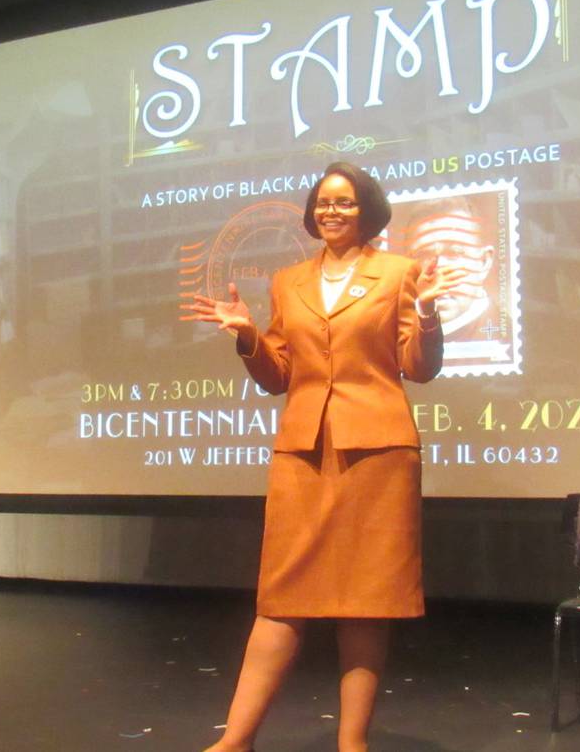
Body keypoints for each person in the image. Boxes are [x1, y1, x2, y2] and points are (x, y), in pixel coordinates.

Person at [184, 162, 468, 752]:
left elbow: (419, 367)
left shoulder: (399, 273)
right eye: (322, 203)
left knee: (366, 600)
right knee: (281, 594)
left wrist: (432, 315)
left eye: (344, 202)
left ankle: (352, 744)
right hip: (305, 449)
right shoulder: (288, 282)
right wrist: (248, 337)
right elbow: (280, 375)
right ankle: (235, 741)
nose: (331, 212)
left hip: (379, 450)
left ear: (367, 210)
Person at [402, 200, 498, 339]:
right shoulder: (393, 340)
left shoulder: (509, 339)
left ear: (483, 263)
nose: (438, 271)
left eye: (454, 253)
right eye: (424, 255)